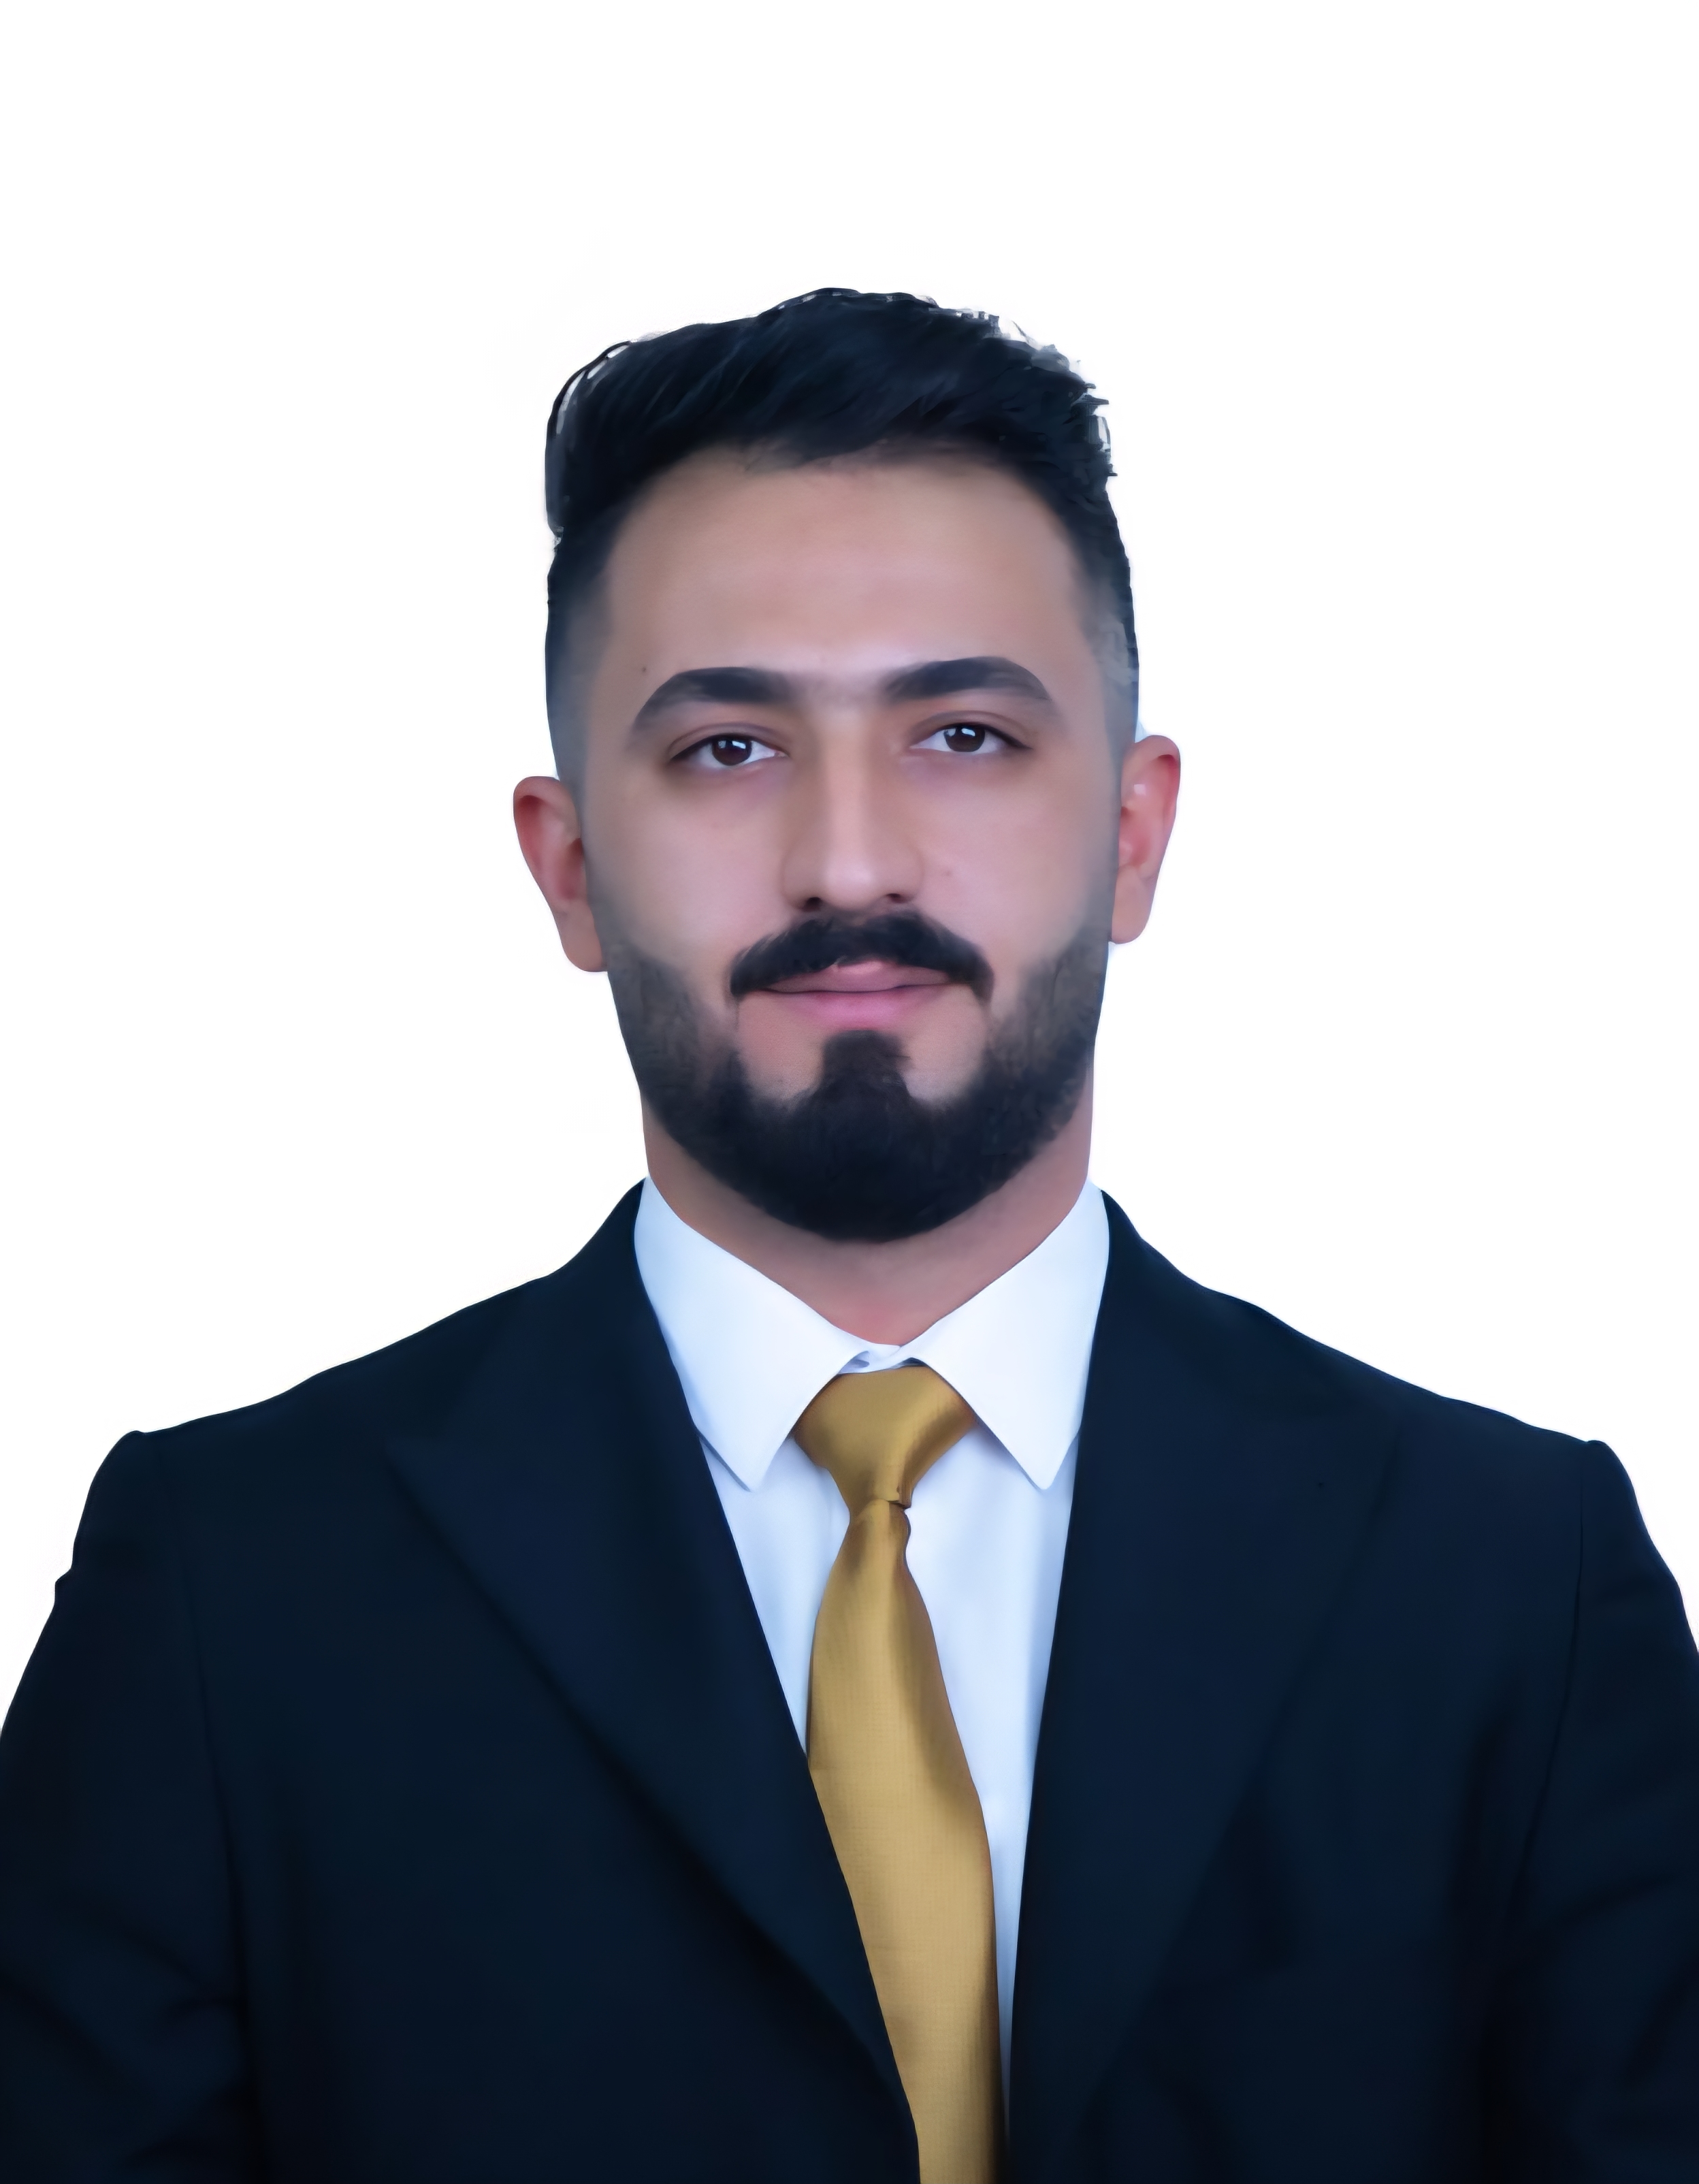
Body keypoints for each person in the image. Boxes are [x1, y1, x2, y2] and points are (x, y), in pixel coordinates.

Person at [1, 289, 1696, 2184]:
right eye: (730, 749)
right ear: (570, 867)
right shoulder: (228, 1595)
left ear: (1134, 834)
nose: (852, 863)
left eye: (965, 734)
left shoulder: (1516, 1590)